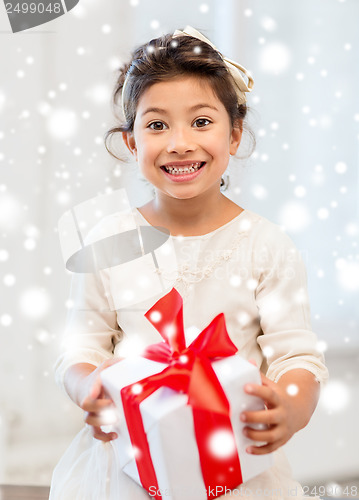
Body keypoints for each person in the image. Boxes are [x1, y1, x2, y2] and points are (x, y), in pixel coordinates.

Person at [49, 26, 328, 500]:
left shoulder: (266, 245)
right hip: (127, 463)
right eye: (157, 125)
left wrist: (291, 406)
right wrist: (88, 386)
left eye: (201, 121)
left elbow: (297, 356)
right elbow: (80, 346)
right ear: (132, 143)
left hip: (234, 462)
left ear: (235, 134)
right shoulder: (110, 240)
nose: (180, 143)